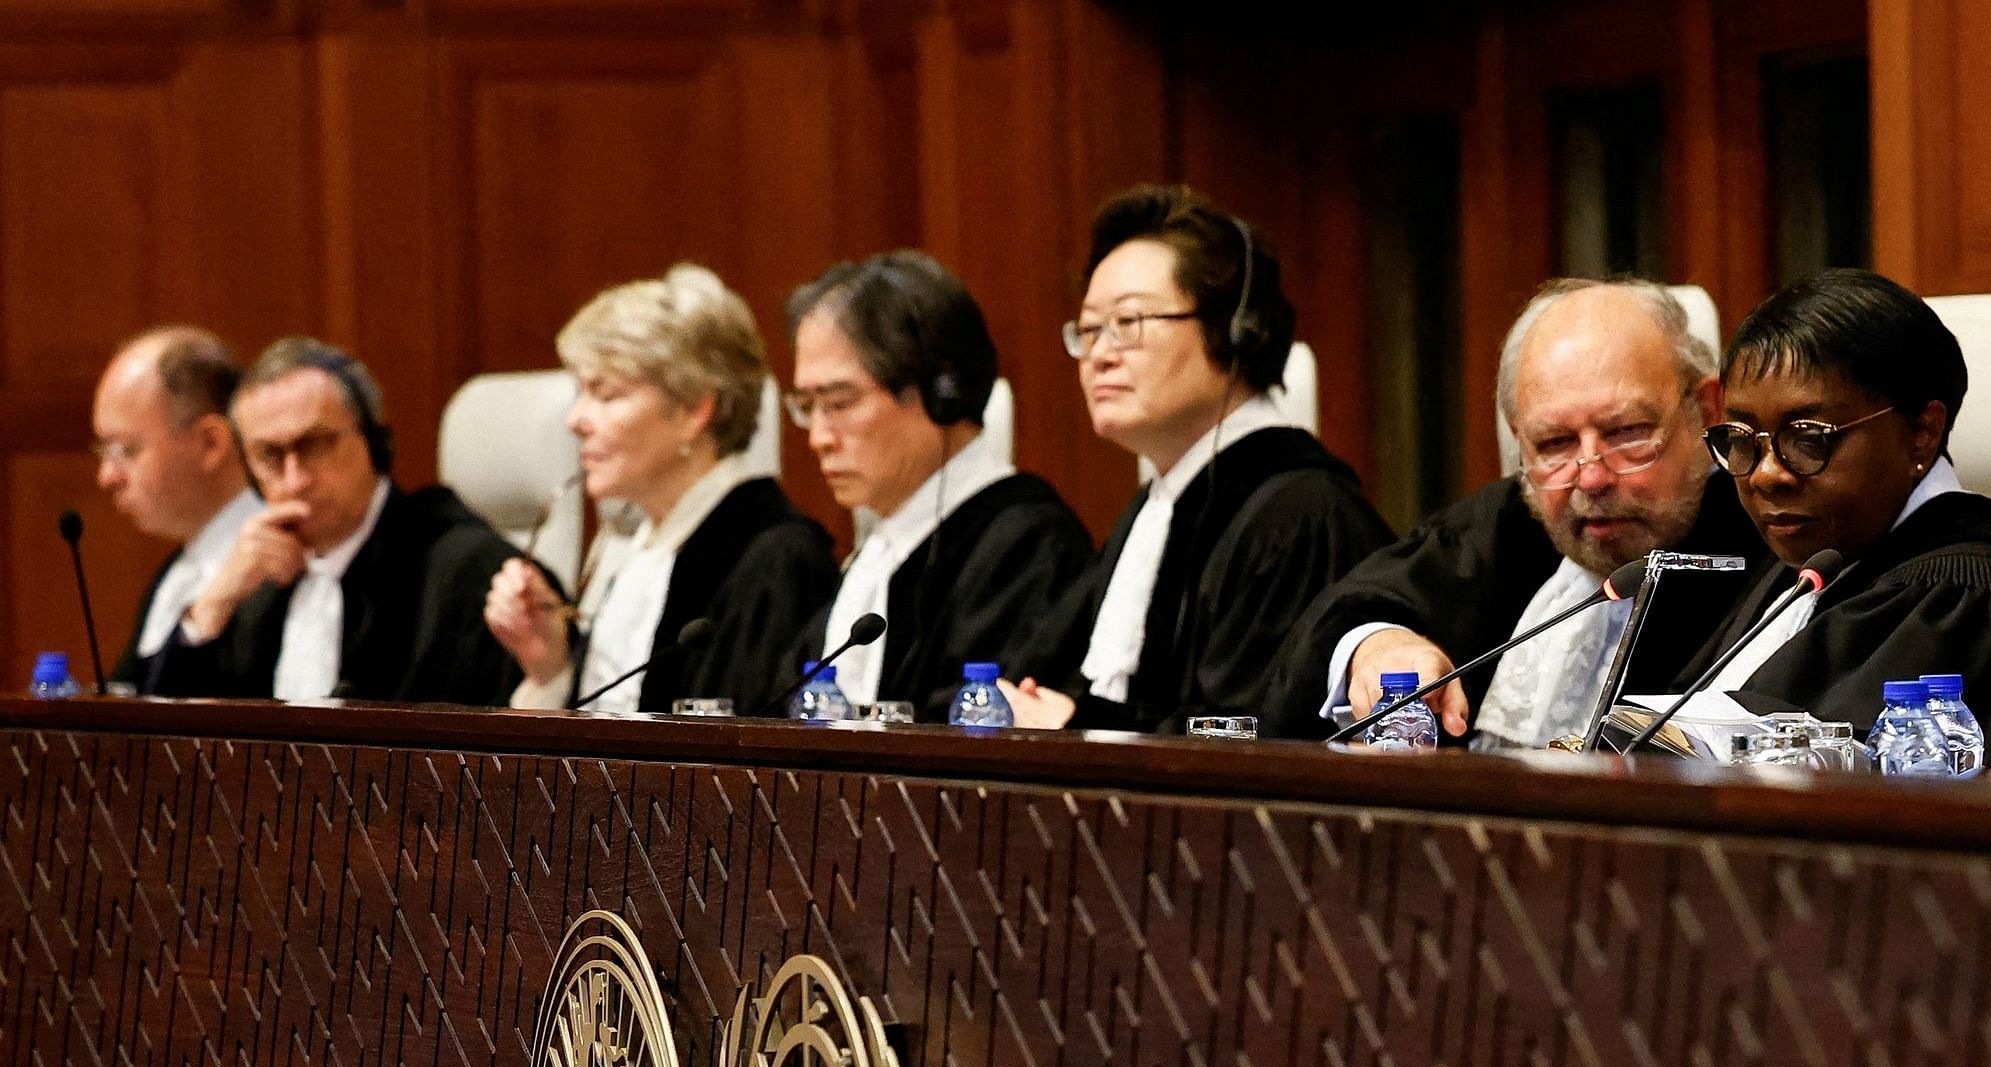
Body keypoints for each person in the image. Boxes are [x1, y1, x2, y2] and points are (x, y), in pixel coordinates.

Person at [1660, 269, 1991, 775]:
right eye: (1742, 437)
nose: (1766, 474)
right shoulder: (1814, 554)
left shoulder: (1964, 602)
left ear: (1920, 433)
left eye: (1808, 437)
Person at [1299, 277, 1764, 747]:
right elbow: (1362, 606)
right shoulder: (1512, 525)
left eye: (1626, 432)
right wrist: (1379, 645)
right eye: (1555, 444)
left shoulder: (1775, 533)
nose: (1591, 478)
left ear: (1706, 411)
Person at [1007, 187, 1389, 735]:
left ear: (1236, 329)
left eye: (1129, 322)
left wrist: (1076, 725)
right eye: (1089, 329)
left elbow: (1252, 731)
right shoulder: (1156, 509)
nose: (1099, 354)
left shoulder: (1300, 514)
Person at [743, 251, 1092, 721]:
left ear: (941, 392)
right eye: (807, 405)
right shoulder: (878, 555)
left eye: (840, 402)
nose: (817, 438)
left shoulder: (1027, 547)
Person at [483, 265, 838, 715]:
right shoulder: (637, 548)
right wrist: (549, 669)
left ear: (693, 408)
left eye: (606, 394)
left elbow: (739, 767)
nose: (575, 420)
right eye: (581, 393)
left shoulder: (773, 560)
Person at [159, 338, 518, 705]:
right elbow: (165, 740)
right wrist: (214, 604)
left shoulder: (462, 568)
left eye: (315, 444)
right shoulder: (257, 586)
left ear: (375, 441)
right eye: (269, 455)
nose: (294, 480)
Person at [90, 327, 257, 693]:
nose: (107, 477)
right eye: (104, 452)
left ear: (210, 443)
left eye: (126, 450)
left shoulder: (281, 568)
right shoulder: (174, 573)